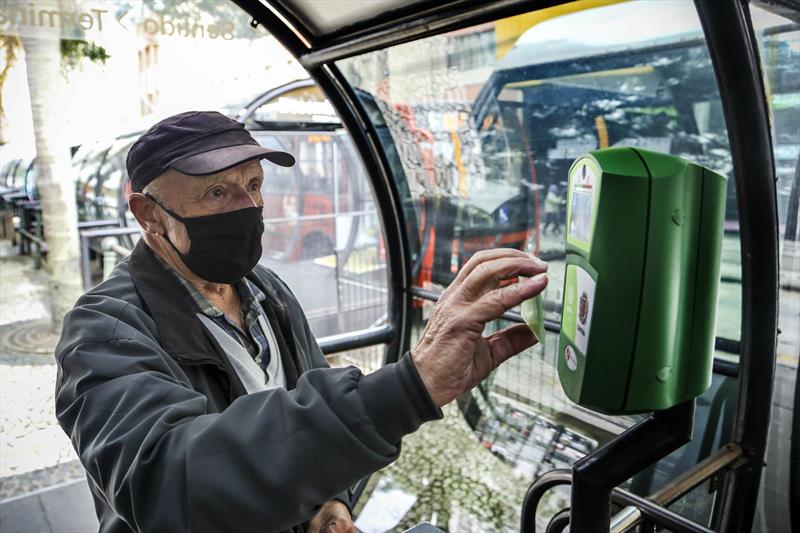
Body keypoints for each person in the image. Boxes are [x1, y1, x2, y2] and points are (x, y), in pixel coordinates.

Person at [54, 111, 548, 533]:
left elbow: (309, 404)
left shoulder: (266, 291)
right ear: (148, 214)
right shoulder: (104, 330)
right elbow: (167, 482)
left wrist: (329, 501)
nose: (248, 208)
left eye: (254, 186)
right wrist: (408, 387)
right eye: (217, 193)